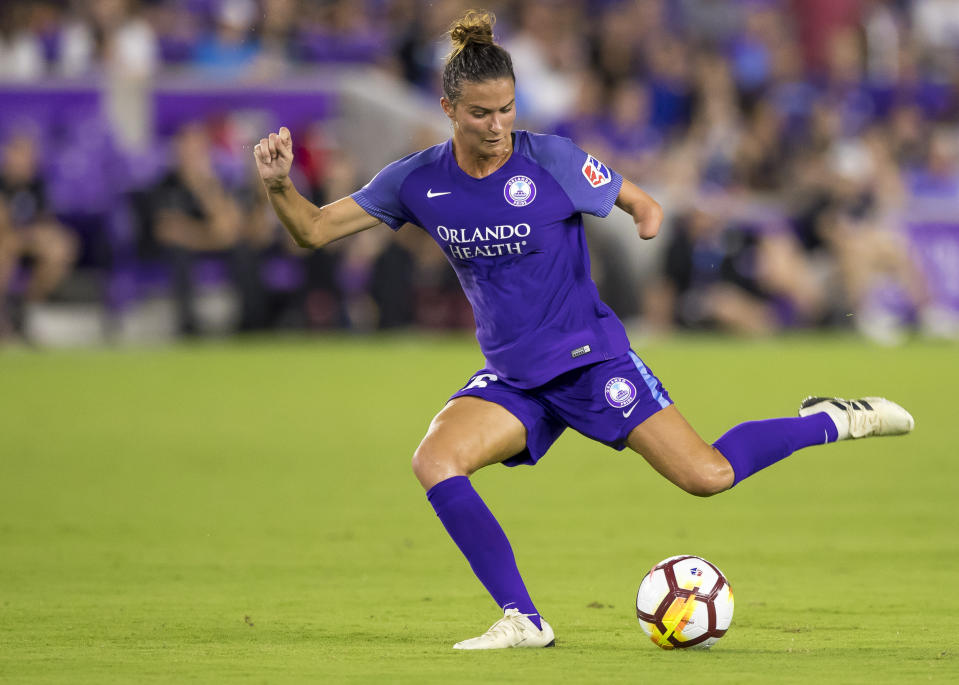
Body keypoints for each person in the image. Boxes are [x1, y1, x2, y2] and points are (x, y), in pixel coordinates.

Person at [253, 10, 915, 650]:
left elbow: (639, 201)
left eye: (507, 108)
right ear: (449, 107)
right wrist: (280, 186)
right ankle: (521, 617)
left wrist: (646, 217)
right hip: (515, 376)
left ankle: (831, 418)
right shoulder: (417, 180)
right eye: (481, 113)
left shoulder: (550, 159)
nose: (497, 125)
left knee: (707, 476)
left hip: (589, 361)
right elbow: (313, 229)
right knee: (434, 458)